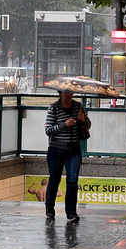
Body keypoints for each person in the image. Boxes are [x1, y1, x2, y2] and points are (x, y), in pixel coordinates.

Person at [44, 89, 90, 223]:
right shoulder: (54, 108)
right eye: (66, 92)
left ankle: (71, 213)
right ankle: (50, 208)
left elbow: (88, 125)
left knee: (72, 181)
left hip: (74, 149)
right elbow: (48, 130)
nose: (69, 95)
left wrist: (82, 120)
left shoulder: (78, 106)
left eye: (71, 93)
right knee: (54, 180)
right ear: (60, 93)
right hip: (56, 149)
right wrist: (64, 125)